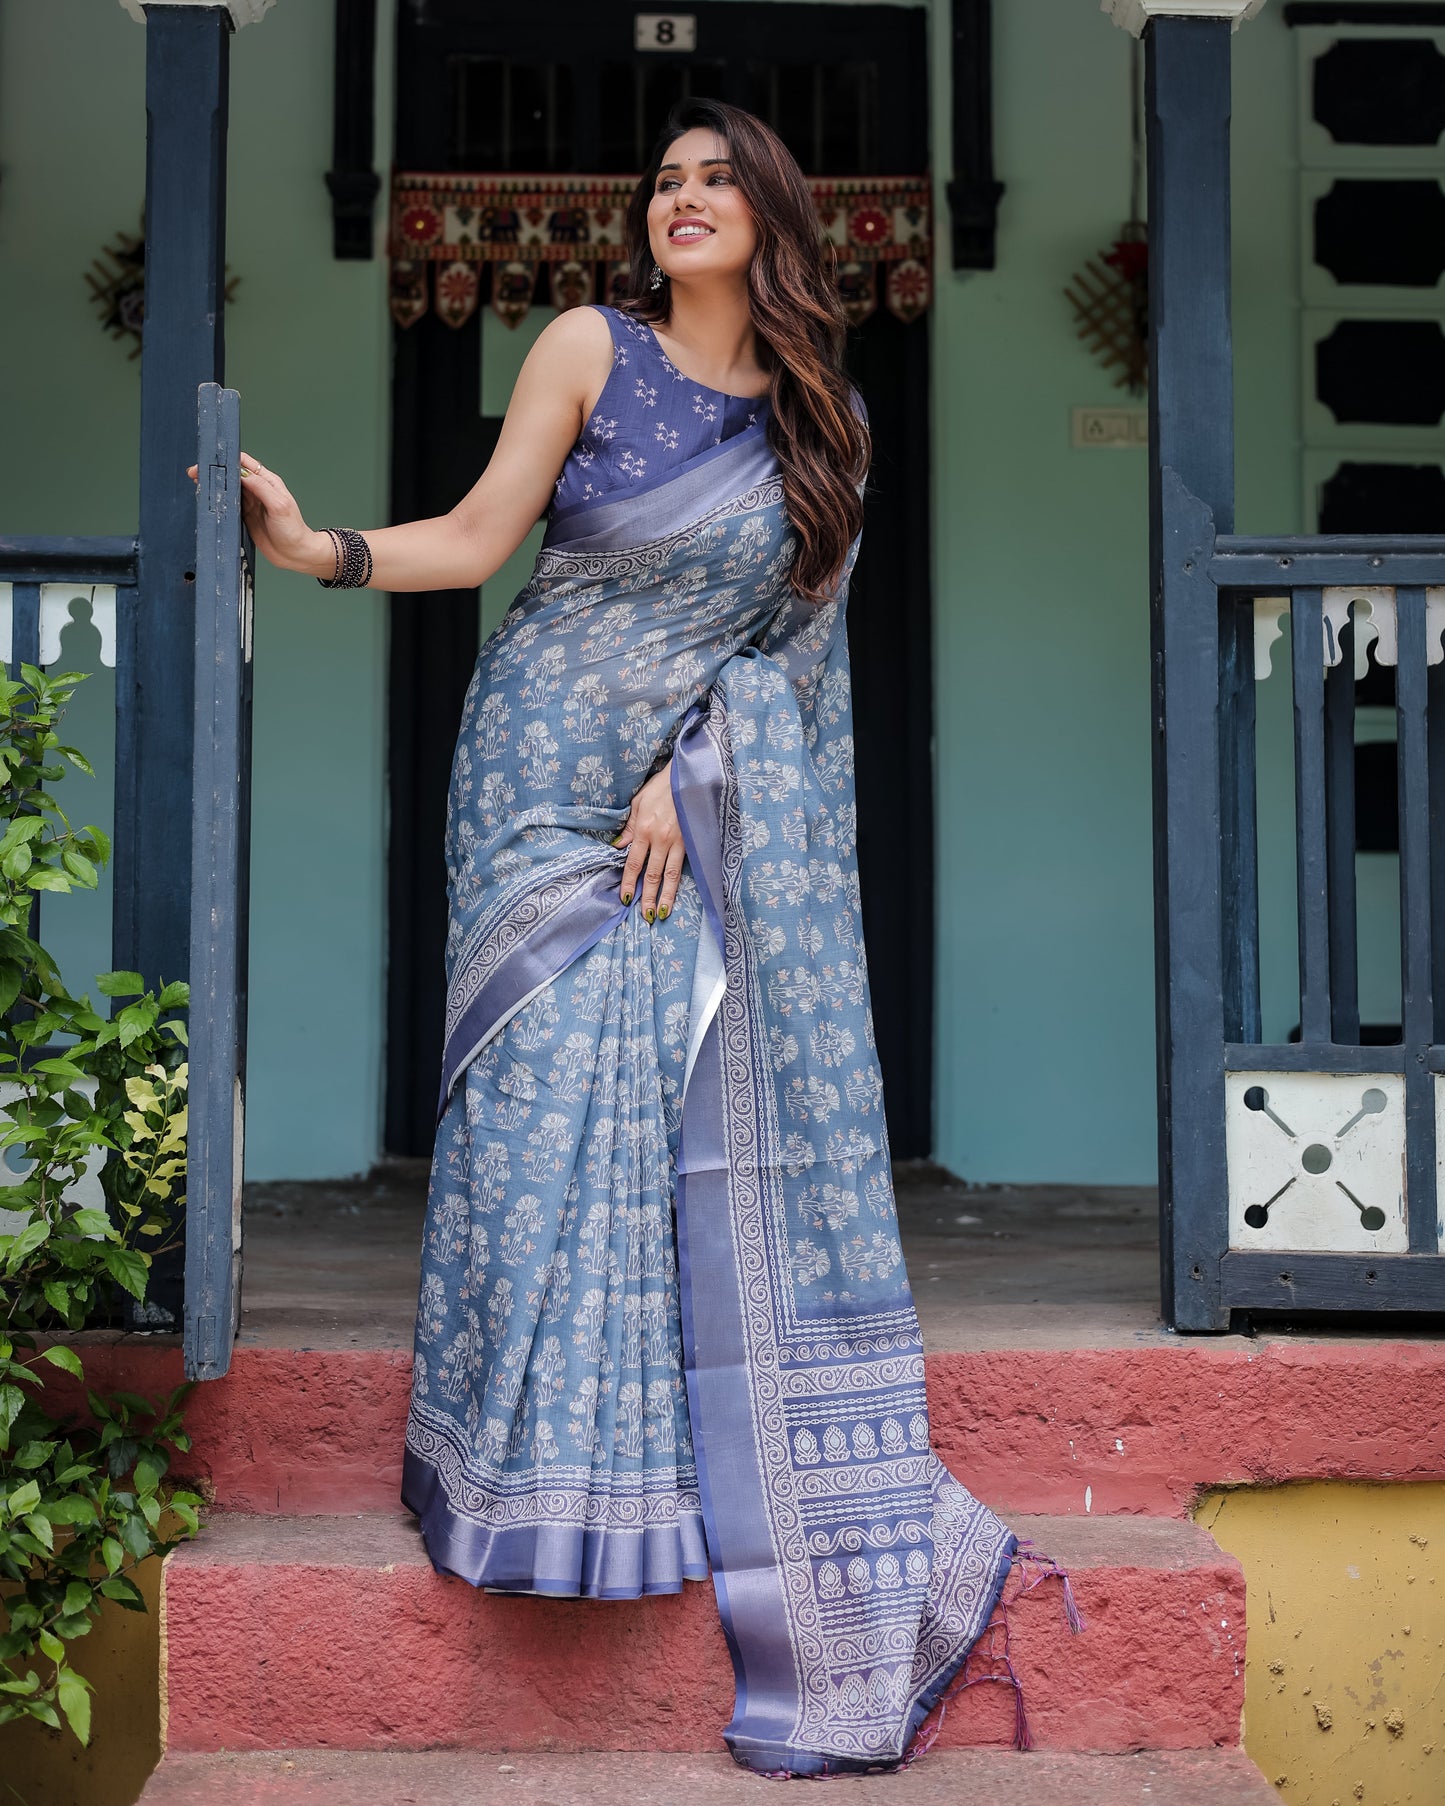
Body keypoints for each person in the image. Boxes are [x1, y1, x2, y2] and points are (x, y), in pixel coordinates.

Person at [201, 97, 1061, 1778]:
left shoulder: (830, 423)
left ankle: (643, 1495)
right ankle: (512, 1486)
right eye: (664, 181)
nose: (682, 199)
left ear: (774, 220)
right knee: (536, 1127)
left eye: (715, 180)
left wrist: (701, 764)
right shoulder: (587, 344)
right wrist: (318, 549)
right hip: (532, 781)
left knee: (641, 1146)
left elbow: (796, 676)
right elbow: (472, 544)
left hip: (690, 814)